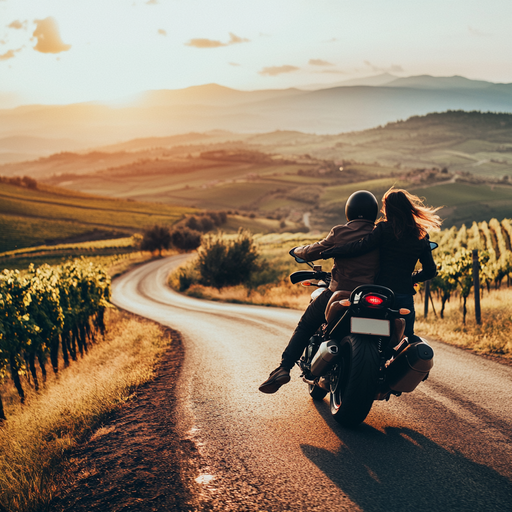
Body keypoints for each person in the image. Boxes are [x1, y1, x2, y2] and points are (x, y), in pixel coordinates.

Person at [259, 190, 380, 394]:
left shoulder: (340, 232)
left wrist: (297, 251)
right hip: (374, 295)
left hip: (339, 293)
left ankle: (284, 368)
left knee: (306, 324)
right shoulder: (381, 234)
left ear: (349, 211)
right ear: (373, 212)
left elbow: (313, 250)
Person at [320, 187, 441, 343]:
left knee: (350, 328)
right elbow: (430, 271)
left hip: (378, 291)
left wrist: (330, 252)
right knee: (407, 338)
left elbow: (360, 247)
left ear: (390, 209)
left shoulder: (384, 229)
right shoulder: (420, 235)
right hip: (403, 295)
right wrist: (410, 278)